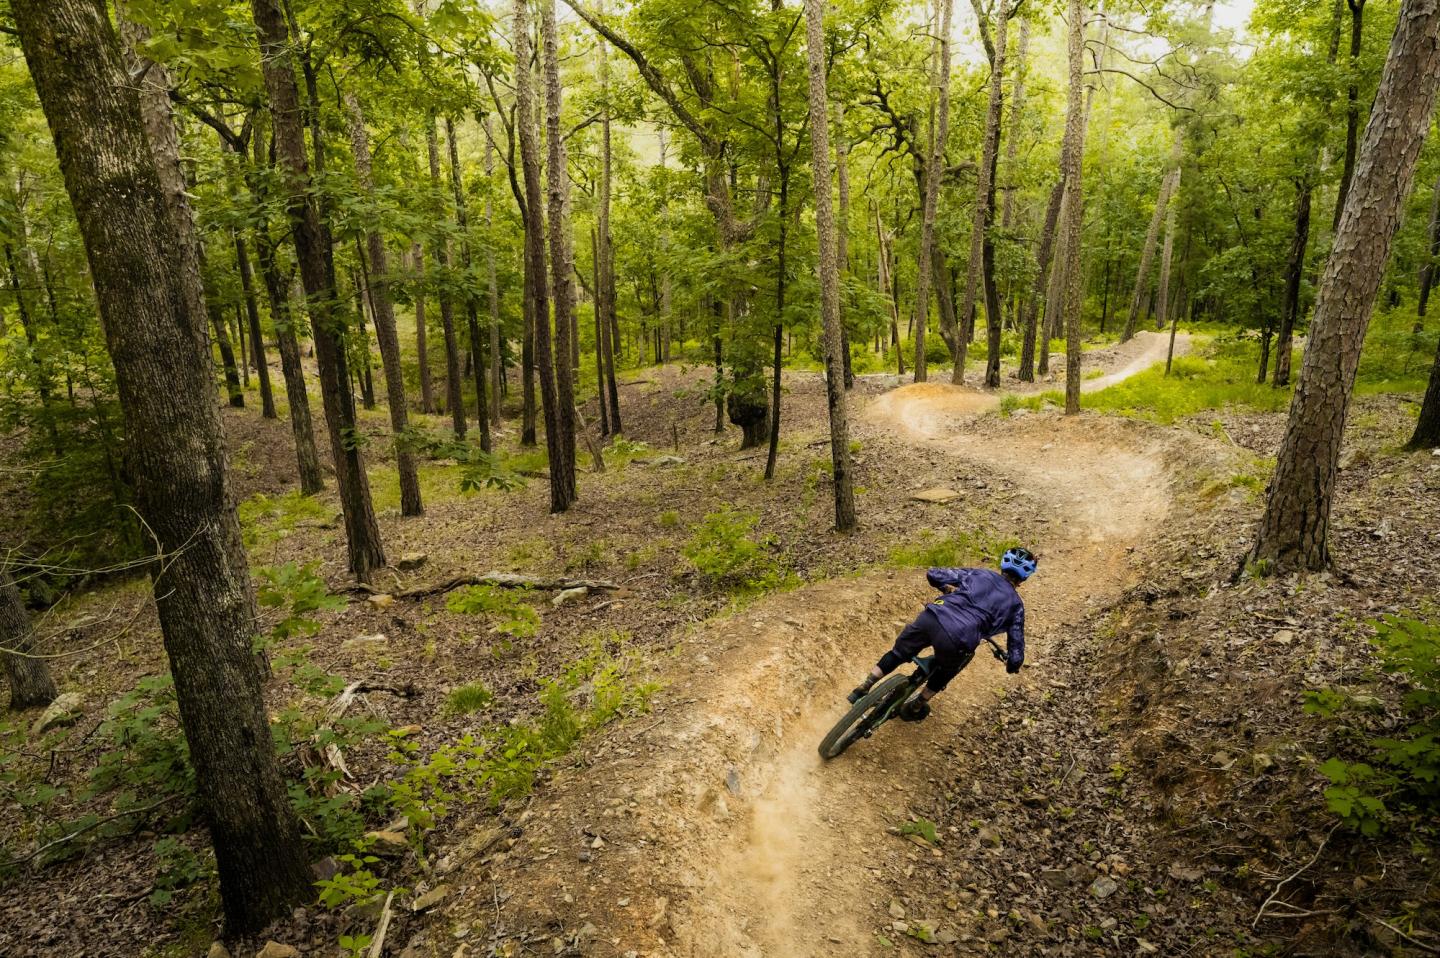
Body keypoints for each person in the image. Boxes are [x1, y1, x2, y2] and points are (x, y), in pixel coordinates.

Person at [848, 547, 1036, 721]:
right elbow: (1017, 647)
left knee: (898, 653)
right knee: (948, 668)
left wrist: (946, 589)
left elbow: (934, 574)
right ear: (1025, 577)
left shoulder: (979, 574)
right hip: (960, 637)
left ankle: (864, 686)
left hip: (933, 616)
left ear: (1003, 564)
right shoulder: (1016, 606)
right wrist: (1012, 665)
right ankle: (916, 705)